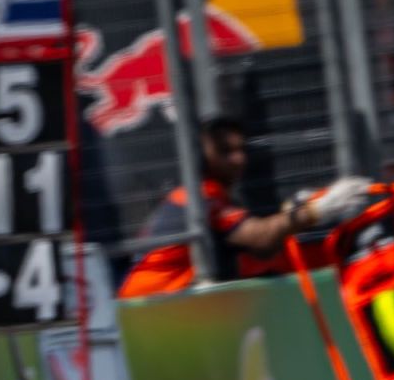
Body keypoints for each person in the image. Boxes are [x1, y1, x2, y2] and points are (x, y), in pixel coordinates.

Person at [118, 117, 372, 299]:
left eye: (241, 150)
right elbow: (260, 237)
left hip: (159, 308)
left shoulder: (211, 197)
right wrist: (319, 209)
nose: (238, 159)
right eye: (225, 151)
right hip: (147, 310)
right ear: (200, 155)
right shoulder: (199, 197)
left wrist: (298, 212)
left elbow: (263, 251)